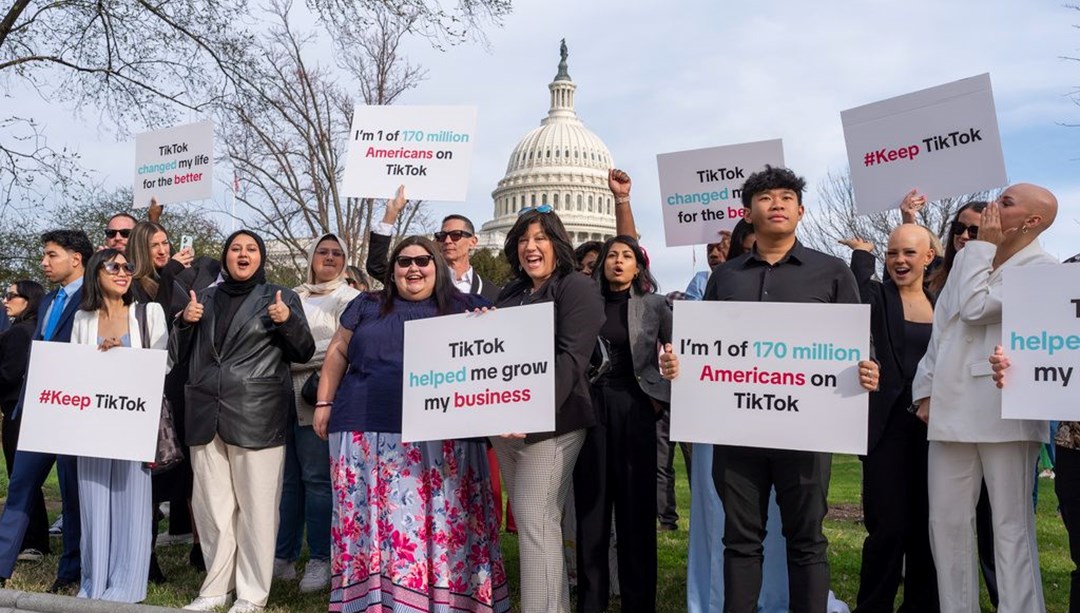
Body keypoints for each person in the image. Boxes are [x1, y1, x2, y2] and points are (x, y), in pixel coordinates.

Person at [703, 165, 880, 612]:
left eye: (786, 197)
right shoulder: (725, 279)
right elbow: (704, 346)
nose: (776, 204)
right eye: (765, 198)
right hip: (738, 431)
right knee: (740, 541)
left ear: (800, 211)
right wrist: (677, 365)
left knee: (807, 540)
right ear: (748, 211)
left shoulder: (832, 272)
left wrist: (868, 367)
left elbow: (859, 343)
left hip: (808, 431)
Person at [312, 234, 509, 612]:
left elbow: (493, 360)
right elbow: (338, 349)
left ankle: (446, 602)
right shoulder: (367, 304)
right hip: (365, 428)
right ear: (393, 269)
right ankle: (374, 602)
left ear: (437, 266)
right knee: (371, 523)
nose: (413, 268)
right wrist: (324, 401)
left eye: (423, 261)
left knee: (437, 522)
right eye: (404, 262)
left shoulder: (468, 307)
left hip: (442, 436)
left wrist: (490, 327)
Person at [912, 184, 1058, 613]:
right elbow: (944, 327)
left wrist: (979, 251)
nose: (994, 208)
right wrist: (925, 389)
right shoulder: (968, 264)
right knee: (945, 523)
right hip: (950, 407)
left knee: (1011, 527)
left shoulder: (1043, 270)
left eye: (1006, 203)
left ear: (1031, 222)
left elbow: (977, 308)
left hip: (1006, 409)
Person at [171, 229, 315, 613]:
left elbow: (304, 350)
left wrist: (286, 321)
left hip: (256, 414)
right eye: (236, 248)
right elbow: (176, 354)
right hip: (204, 412)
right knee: (212, 508)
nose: (243, 254)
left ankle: (252, 593)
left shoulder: (279, 297)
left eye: (251, 249)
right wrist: (185, 321)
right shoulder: (204, 298)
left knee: (257, 509)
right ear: (224, 257)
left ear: (261, 257)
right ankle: (216, 587)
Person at [489, 206, 604, 613]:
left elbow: (572, 358)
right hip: (505, 425)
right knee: (535, 521)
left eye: (539, 238)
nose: (530, 247)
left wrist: (530, 411)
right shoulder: (509, 294)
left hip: (554, 423)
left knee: (536, 521)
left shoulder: (577, 287)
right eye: (523, 239)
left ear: (558, 243)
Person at [840, 226, 939, 613]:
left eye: (909, 253)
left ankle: (921, 606)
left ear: (928, 257)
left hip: (934, 430)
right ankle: (874, 606)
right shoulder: (878, 297)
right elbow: (855, 298)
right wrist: (862, 255)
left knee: (928, 527)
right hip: (886, 429)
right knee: (888, 528)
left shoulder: (942, 303)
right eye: (892, 253)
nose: (899, 260)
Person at [573, 235, 669, 613]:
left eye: (626, 256)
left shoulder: (655, 306)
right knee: (593, 511)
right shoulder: (586, 306)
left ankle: (638, 602)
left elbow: (683, 354)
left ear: (637, 266)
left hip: (636, 409)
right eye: (612, 255)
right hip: (592, 409)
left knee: (636, 512)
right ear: (601, 265)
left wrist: (660, 396)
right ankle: (591, 603)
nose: (618, 261)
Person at [71, 249, 167, 602]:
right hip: (93, 423)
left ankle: (126, 585)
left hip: (133, 422)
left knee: (132, 502)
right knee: (93, 501)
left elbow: (164, 363)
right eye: (114, 266)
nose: (123, 271)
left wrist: (124, 357)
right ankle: (94, 583)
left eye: (128, 266)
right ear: (96, 273)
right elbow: (74, 370)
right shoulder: (83, 319)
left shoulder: (148, 312)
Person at [0, 230, 93, 593]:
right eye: (44, 255)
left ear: (76, 258)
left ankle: (69, 573)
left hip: (74, 411)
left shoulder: (94, 298)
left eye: (52, 255)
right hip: (38, 409)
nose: (44, 262)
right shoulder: (51, 299)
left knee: (72, 494)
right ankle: (3, 565)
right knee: (21, 484)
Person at [272, 234, 359, 593]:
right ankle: (284, 555)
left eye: (337, 253)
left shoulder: (350, 298)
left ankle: (321, 558)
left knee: (318, 481)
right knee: (287, 481)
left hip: (318, 395)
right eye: (322, 252)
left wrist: (295, 349)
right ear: (310, 257)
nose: (329, 258)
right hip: (279, 397)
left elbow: (341, 347)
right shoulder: (293, 294)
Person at [127, 220, 196, 582]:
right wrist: (171, 273)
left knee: (180, 471)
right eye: (154, 244)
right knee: (149, 477)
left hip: (179, 385)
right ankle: (145, 555)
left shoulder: (175, 279)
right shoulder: (134, 285)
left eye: (166, 242)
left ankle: (197, 547)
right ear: (140, 248)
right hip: (147, 387)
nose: (163, 249)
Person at [366, 187, 501, 302]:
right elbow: (376, 266)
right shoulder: (420, 279)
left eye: (456, 235)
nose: (447, 241)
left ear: (473, 242)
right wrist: (391, 213)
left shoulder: (492, 292)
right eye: (442, 236)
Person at [0, 280, 48, 562]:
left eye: (12, 296)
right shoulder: (33, 330)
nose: (6, 300)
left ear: (28, 300)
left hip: (18, 409)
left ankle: (33, 540)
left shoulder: (20, 332)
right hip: (28, 409)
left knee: (21, 477)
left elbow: (9, 374)